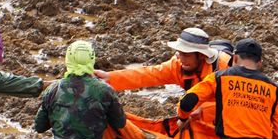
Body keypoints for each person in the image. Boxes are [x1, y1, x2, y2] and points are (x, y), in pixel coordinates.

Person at [94, 26, 231, 93]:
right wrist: (110, 77)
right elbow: (148, 75)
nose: (181, 59)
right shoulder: (178, 65)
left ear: (201, 55)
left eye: (187, 55)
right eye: (180, 53)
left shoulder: (225, 67)